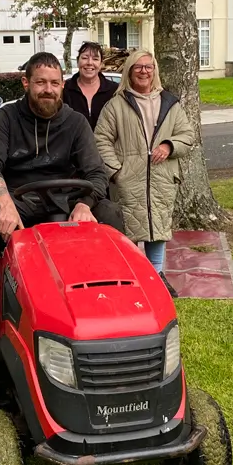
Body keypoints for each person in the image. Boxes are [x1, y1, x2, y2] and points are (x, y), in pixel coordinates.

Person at [0, 52, 124, 322]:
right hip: (18, 199)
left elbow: (96, 172)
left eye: (54, 83)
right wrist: (4, 204)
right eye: (40, 83)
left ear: (62, 84)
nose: (47, 90)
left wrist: (86, 204)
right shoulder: (7, 117)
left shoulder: (75, 123)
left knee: (110, 213)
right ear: (26, 83)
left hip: (66, 199)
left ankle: (111, 285)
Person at [94, 49, 195, 298]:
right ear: (129, 71)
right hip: (130, 178)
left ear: (155, 70)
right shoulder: (116, 105)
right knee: (129, 229)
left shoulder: (170, 103)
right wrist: (116, 170)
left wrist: (169, 146)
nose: (144, 71)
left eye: (148, 67)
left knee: (157, 228)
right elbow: (100, 139)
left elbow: (187, 135)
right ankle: (132, 278)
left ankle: (156, 276)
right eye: (138, 67)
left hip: (162, 176)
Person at [62, 41, 118, 129]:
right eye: (84, 58)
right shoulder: (66, 89)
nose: (89, 63)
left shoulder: (114, 90)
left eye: (95, 59)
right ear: (77, 61)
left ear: (101, 64)